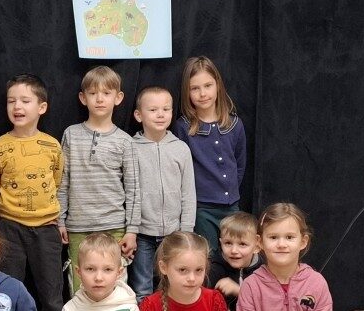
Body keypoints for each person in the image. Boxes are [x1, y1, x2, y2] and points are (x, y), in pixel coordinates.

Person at [0, 74, 64, 311]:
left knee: (51, 293)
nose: (17, 107)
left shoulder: (52, 146)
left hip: (46, 228)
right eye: (11, 101)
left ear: (41, 107)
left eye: (25, 101)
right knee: (9, 291)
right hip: (9, 228)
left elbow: (57, 182)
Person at [57, 64, 140, 295]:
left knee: (115, 288)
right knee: (80, 288)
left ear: (118, 98)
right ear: (83, 98)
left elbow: (134, 189)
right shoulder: (71, 134)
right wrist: (60, 220)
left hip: (114, 227)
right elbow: (63, 180)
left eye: (106, 93)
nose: (100, 99)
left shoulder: (125, 141)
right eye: (93, 93)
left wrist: (132, 230)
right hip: (78, 227)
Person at [172, 56, 247, 255]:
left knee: (234, 256)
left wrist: (229, 190)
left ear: (218, 86)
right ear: (187, 92)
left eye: (208, 85)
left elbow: (240, 164)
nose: (203, 93)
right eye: (195, 88)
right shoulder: (183, 127)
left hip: (231, 206)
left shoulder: (235, 124)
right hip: (202, 209)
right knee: (208, 257)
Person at [129, 85, 196, 296]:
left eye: (166, 109)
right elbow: (129, 192)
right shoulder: (130, 148)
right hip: (143, 234)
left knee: (172, 287)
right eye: (153, 110)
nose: (160, 114)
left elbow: (188, 193)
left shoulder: (181, 148)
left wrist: (186, 230)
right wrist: (131, 229)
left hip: (174, 234)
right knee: (142, 288)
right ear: (139, 115)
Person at [205, 210, 261, 311]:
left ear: (257, 246)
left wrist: (239, 291)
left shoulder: (263, 270)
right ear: (221, 242)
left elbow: (267, 305)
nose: (234, 250)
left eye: (242, 244)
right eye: (228, 243)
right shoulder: (214, 269)